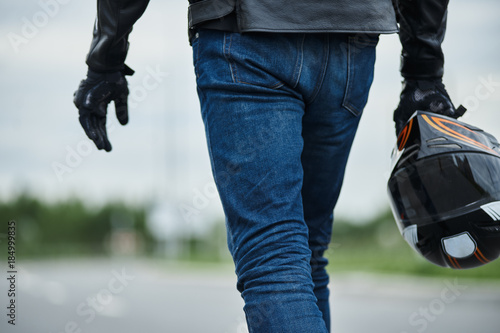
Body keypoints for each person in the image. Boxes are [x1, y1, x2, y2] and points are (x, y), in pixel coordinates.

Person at [74, 1, 460, 331]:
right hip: (350, 40)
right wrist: (423, 72)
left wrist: (105, 57)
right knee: (305, 252)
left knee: (274, 257)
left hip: (246, 35)